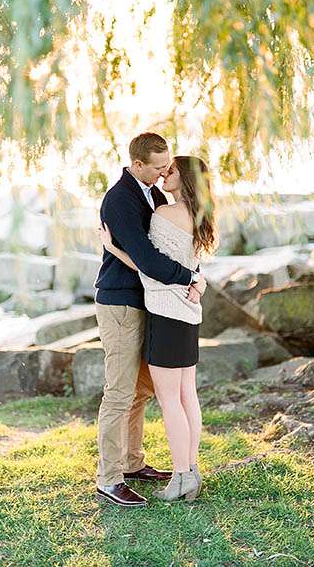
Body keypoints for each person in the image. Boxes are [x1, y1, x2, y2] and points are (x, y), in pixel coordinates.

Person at [92, 133, 207, 508]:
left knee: (142, 392)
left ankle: (132, 463)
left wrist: (196, 276)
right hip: (122, 303)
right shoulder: (120, 200)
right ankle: (109, 479)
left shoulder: (156, 196)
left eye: (168, 166)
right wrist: (190, 278)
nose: (164, 173)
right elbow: (149, 261)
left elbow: (181, 247)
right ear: (137, 164)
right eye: (158, 167)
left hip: (152, 304)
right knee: (120, 393)